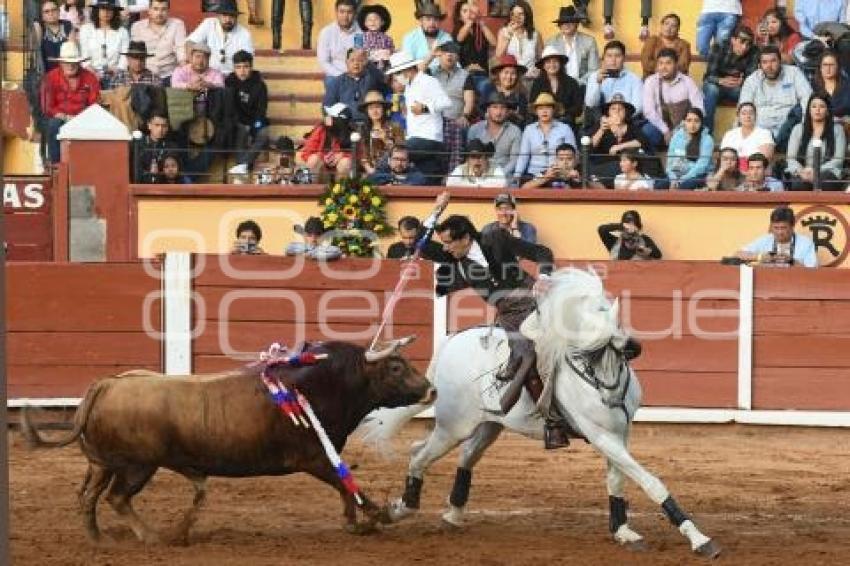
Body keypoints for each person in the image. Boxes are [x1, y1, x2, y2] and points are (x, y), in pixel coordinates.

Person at [428, 192, 570, 449]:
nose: (446, 248)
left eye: (449, 242)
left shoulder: (495, 238)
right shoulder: (454, 260)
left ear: (465, 238)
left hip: (536, 300)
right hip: (510, 315)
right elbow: (422, 244)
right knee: (525, 355)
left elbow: (542, 252)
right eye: (444, 244)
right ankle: (553, 424)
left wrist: (545, 277)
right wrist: (436, 211)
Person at [385, 50, 452, 184]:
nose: (397, 77)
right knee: (426, 180)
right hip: (417, 138)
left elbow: (446, 102)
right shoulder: (409, 86)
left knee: (396, 154)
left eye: (397, 73)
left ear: (407, 69)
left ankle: (378, 180)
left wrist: (424, 108)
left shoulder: (427, 81)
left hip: (429, 138)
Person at [739, 45, 812, 152]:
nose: (769, 66)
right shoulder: (752, 80)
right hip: (761, 131)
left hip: (788, 131)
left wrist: (805, 126)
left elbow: (807, 98)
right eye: (765, 62)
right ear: (759, 65)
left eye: (773, 61)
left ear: (780, 61)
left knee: (798, 112)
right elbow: (744, 106)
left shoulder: (794, 73)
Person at [40, 41, 101, 163]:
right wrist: (66, 117)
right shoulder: (50, 78)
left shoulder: (90, 77)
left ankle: (89, 164)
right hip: (59, 118)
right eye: (67, 63)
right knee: (54, 124)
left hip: (84, 118)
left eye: (74, 63)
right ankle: (56, 165)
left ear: (79, 62)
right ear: (61, 62)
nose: (70, 66)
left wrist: (81, 117)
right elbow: (47, 107)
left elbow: (95, 104)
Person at [641, 48, 704, 150]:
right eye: (660, 63)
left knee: (699, 133)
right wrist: (665, 130)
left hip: (684, 127)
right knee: (646, 132)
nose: (663, 67)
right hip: (659, 127)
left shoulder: (688, 82)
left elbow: (699, 109)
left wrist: (681, 130)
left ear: (676, 64)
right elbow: (649, 111)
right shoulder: (650, 81)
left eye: (668, 63)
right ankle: (652, 162)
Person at [430, 41, 476, 173]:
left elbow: (469, 100)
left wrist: (465, 115)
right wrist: (431, 55)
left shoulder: (465, 75)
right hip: (434, 120)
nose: (449, 55)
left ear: (458, 57)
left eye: (453, 52)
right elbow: (416, 75)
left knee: (458, 127)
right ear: (440, 55)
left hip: (455, 119)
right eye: (445, 52)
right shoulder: (431, 73)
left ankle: (453, 174)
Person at [701, 24, 758, 132]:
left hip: (736, 88)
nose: (745, 47)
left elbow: (752, 79)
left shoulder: (754, 51)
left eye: (748, 44)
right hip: (717, 86)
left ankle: (743, 133)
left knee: (749, 92)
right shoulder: (719, 46)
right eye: (742, 41)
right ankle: (706, 133)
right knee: (711, 89)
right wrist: (720, 81)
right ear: (733, 40)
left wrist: (743, 82)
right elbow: (708, 76)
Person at [785, 94, 847, 191]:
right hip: (803, 171)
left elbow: (838, 160)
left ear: (827, 111)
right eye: (814, 106)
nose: (817, 109)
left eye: (821, 106)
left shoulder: (837, 129)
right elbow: (791, 158)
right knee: (799, 185)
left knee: (826, 183)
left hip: (828, 172)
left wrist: (816, 171)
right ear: (809, 110)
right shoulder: (798, 129)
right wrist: (802, 171)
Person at [225, 50, 270, 177]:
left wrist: (253, 126)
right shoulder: (229, 82)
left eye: (245, 66)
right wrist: (241, 124)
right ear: (234, 68)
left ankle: (242, 165)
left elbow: (262, 110)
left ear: (251, 67)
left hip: (255, 121)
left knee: (264, 134)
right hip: (237, 123)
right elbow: (230, 108)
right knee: (241, 130)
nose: (242, 71)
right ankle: (243, 165)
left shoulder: (260, 85)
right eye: (238, 67)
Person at [588, 94, 648, 187]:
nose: (617, 111)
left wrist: (619, 146)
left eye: (621, 109)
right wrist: (601, 130)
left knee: (624, 167)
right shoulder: (599, 126)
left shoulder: (632, 127)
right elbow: (590, 147)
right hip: (603, 166)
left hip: (626, 167)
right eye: (613, 108)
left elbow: (642, 141)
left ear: (626, 112)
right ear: (608, 112)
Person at [515, 93, 576, 181]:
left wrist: (566, 173)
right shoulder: (529, 130)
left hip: (558, 174)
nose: (544, 111)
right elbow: (523, 156)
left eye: (548, 108)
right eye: (540, 108)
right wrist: (517, 176)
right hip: (534, 174)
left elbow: (573, 155)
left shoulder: (565, 128)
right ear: (536, 111)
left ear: (554, 110)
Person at [186, 0, 254, 76]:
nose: (228, 20)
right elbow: (190, 42)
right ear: (218, 16)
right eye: (224, 15)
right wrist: (194, 67)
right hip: (208, 74)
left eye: (231, 16)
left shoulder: (244, 33)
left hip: (232, 76)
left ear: (236, 17)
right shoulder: (209, 23)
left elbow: (247, 58)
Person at [584, 40, 643, 126]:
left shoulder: (634, 79)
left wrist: (618, 119)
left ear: (624, 58)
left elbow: (638, 107)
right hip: (601, 121)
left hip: (626, 121)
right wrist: (597, 83)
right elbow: (590, 104)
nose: (613, 60)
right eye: (609, 56)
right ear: (603, 58)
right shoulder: (595, 76)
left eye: (617, 56)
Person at [735, 206, 818, 267]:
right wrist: (761, 257)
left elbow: (812, 271)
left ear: (792, 227)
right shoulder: (765, 239)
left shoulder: (806, 243)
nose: (779, 232)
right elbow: (737, 254)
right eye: (776, 228)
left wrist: (791, 261)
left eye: (783, 228)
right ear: (771, 226)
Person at [322, 47, 388, 122]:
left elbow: (382, 79)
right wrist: (328, 117)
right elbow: (327, 106)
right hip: (345, 125)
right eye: (352, 60)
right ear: (346, 62)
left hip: (369, 123)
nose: (356, 63)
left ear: (364, 62)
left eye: (360, 60)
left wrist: (368, 63)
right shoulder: (337, 82)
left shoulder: (371, 79)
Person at [130, 0, 186, 86]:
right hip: (145, 76)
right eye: (156, 9)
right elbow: (135, 54)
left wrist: (185, 72)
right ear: (149, 10)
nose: (159, 13)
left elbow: (181, 49)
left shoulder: (177, 24)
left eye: (163, 9)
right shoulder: (137, 27)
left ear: (168, 11)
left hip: (169, 75)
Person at [467, 92, 522, 179]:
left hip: (504, 177)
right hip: (478, 174)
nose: (499, 112)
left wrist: (499, 174)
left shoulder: (515, 131)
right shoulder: (475, 129)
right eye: (495, 107)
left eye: (503, 108)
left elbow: (514, 161)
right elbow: (470, 157)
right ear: (488, 110)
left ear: (507, 111)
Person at [659, 108, 713, 190]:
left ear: (701, 123)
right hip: (676, 173)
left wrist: (681, 180)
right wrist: (673, 179)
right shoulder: (676, 136)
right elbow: (670, 161)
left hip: (699, 174)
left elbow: (701, 166)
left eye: (696, 121)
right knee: (659, 185)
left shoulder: (707, 139)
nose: (692, 124)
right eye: (689, 120)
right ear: (683, 122)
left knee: (683, 187)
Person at [529, 46, 582, 127]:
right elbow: (532, 106)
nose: (552, 64)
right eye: (548, 62)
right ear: (543, 65)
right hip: (542, 124)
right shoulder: (537, 83)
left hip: (566, 123)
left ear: (560, 63)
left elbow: (578, 108)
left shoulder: (572, 83)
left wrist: (564, 111)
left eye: (555, 61)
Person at [545, 6, 599, 87]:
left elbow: (593, 70)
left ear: (576, 23)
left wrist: (578, 83)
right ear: (559, 25)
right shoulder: (551, 43)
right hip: (559, 85)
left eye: (570, 21)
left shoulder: (589, 41)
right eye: (563, 22)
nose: (566, 24)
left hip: (583, 84)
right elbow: (548, 69)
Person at [452, 0, 496, 95]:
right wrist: (471, 20)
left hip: (482, 74)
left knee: (488, 87)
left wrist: (481, 22)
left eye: (470, 11)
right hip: (465, 75)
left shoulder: (479, 29)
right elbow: (459, 38)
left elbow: (493, 42)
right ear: (459, 17)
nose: (469, 13)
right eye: (465, 11)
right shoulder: (457, 30)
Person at [78, 0, 129, 83]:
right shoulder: (86, 29)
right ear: (97, 10)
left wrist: (118, 70)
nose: (106, 12)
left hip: (116, 74)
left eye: (110, 9)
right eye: (102, 9)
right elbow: (84, 57)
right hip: (90, 72)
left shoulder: (122, 32)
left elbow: (124, 57)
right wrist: (93, 73)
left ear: (114, 11)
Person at [300, 103, 354, 181]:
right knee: (314, 159)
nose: (326, 117)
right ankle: (311, 191)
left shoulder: (353, 134)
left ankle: (340, 191)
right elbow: (306, 153)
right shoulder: (321, 129)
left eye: (330, 115)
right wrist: (323, 157)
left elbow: (359, 156)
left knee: (346, 162)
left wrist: (342, 155)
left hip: (339, 173)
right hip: (323, 172)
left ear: (339, 120)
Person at [494, 0, 542, 88]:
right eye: (514, 14)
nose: (517, 17)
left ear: (527, 16)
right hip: (511, 80)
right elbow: (498, 56)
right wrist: (509, 35)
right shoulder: (504, 32)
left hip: (531, 79)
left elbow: (541, 59)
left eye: (521, 14)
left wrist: (538, 71)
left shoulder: (535, 34)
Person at [357, 90, 405, 176]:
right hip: (370, 171)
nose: (375, 111)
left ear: (383, 109)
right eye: (371, 108)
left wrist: (385, 139)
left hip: (392, 170)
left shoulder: (395, 127)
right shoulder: (362, 130)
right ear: (367, 111)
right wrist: (369, 169)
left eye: (378, 107)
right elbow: (362, 154)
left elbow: (401, 151)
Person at [719, 102, 775, 172]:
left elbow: (765, 159)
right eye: (744, 113)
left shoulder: (765, 133)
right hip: (732, 174)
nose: (747, 116)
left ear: (756, 116)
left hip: (756, 174)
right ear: (738, 117)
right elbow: (724, 159)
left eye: (751, 113)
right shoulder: (729, 134)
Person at [402, 2, 452, 73]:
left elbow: (454, 63)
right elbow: (408, 69)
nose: (432, 23)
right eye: (428, 19)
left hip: (444, 78)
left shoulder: (446, 37)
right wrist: (431, 56)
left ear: (439, 21)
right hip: (419, 79)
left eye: (435, 19)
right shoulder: (410, 38)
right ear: (421, 21)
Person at [316, 0, 360, 81]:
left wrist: (355, 75)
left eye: (349, 12)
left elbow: (362, 58)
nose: (345, 16)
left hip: (357, 74)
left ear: (355, 13)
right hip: (335, 75)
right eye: (342, 12)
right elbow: (324, 61)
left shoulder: (361, 32)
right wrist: (341, 76)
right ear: (336, 12)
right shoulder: (326, 32)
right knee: (330, 81)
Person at [483, 54, 529, 127]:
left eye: (513, 73)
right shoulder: (489, 88)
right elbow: (483, 112)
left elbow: (522, 118)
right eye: (506, 72)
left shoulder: (521, 94)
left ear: (517, 76)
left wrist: (511, 114)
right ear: (499, 74)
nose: (509, 77)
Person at [640, 13, 691, 79]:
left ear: (678, 29)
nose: (669, 28)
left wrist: (666, 73)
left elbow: (683, 66)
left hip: (675, 81)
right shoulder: (651, 41)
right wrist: (665, 71)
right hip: (652, 79)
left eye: (673, 26)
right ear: (661, 25)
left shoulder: (684, 45)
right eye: (666, 24)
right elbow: (646, 63)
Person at [31, 1, 76, 74]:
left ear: (59, 11)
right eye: (46, 11)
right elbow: (35, 51)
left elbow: (72, 51)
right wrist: (37, 24)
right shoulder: (40, 27)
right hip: (46, 73)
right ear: (42, 15)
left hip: (65, 72)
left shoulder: (67, 25)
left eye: (54, 10)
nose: (51, 13)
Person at [597, 210, 662, 260]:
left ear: (638, 228)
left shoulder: (644, 239)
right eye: (627, 227)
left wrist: (642, 249)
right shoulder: (614, 242)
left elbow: (658, 255)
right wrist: (621, 226)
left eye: (632, 226)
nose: (629, 230)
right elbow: (601, 230)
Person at [133, 111, 176, 182]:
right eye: (157, 125)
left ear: (168, 128)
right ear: (149, 125)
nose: (160, 129)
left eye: (164, 126)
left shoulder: (171, 147)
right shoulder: (139, 144)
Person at [813, 50, 850, 122]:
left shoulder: (847, 85)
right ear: (820, 67)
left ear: (837, 67)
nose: (828, 68)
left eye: (831, 65)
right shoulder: (812, 86)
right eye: (825, 65)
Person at [358, 3, 394, 71]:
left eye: (376, 19)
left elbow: (391, 53)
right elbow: (357, 55)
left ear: (382, 22)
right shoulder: (360, 38)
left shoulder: (388, 39)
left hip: (385, 67)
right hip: (366, 69)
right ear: (365, 23)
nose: (373, 22)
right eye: (369, 20)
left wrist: (388, 54)